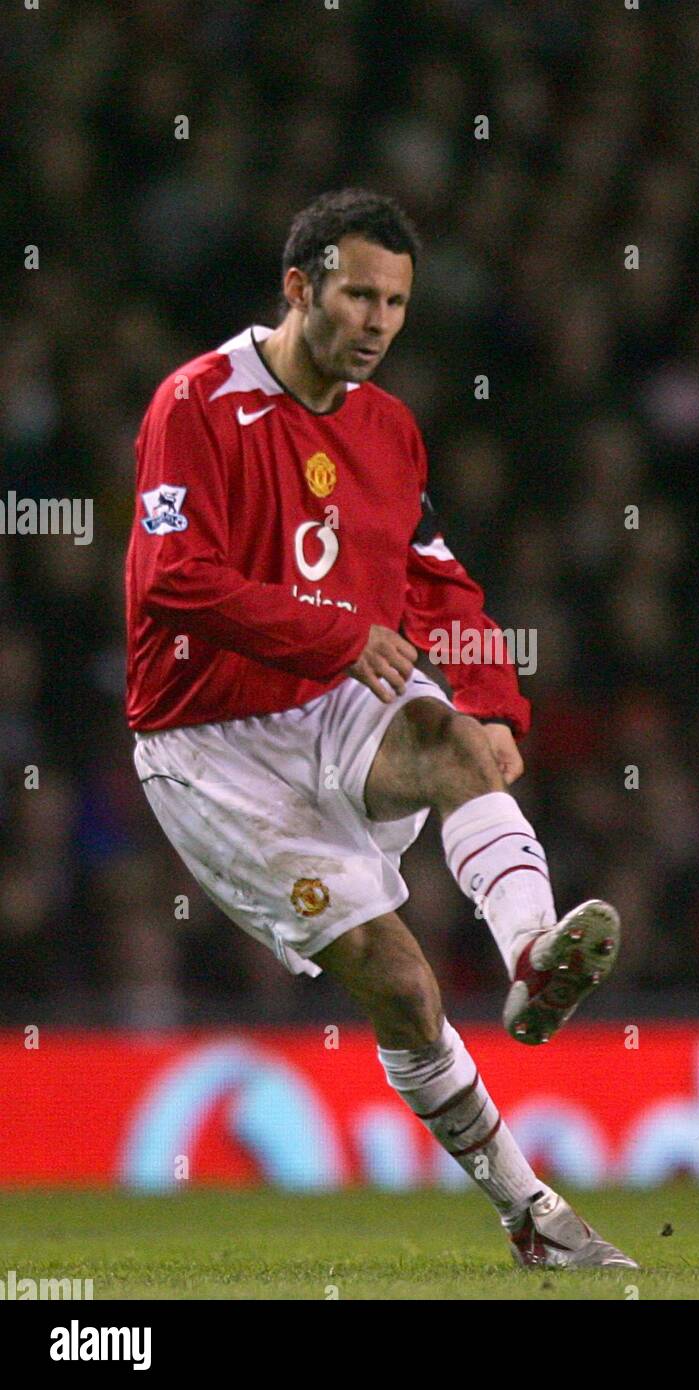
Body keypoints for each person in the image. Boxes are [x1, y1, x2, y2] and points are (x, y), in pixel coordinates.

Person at [125, 187, 634, 1268]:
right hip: (212, 745)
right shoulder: (197, 403)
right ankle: (529, 1210)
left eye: (396, 303)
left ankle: (534, 954)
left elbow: (438, 582)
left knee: (455, 739)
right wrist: (331, 630)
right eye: (358, 295)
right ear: (299, 287)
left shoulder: (389, 428)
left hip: (327, 697)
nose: (377, 321)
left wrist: (499, 702)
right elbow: (171, 578)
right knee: (403, 987)